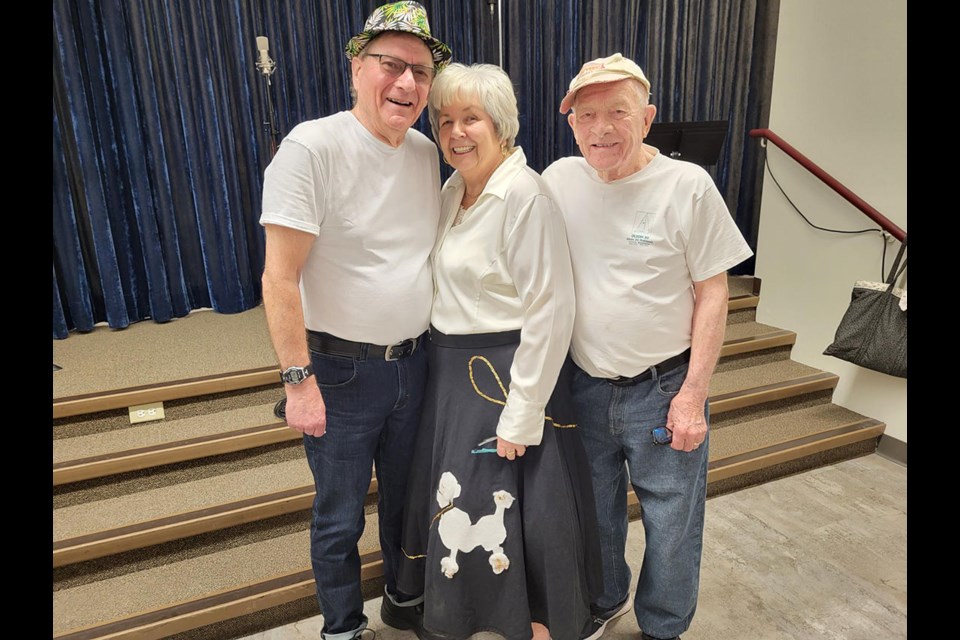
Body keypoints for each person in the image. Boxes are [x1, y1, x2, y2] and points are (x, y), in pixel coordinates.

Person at [542, 53, 754, 640]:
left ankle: (663, 625)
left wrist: (693, 395)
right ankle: (607, 598)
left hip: (663, 388)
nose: (602, 128)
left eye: (618, 112)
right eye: (587, 115)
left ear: (648, 117)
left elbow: (715, 294)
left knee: (672, 521)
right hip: (584, 383)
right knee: (597, 511)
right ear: (571, 124)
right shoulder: (559, 180)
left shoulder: (686, 186)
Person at [258, 3, 451, 640]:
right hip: (338, 373)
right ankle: (342, 627)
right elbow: (279, 278)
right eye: (390, 65)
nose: (406, 84)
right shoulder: (312, 147)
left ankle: (403, 598)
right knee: (340, 516)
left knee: (407, 502)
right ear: (355, 67)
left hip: (415, 363)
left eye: (420, 72)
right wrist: (297, 381)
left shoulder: (426, 153)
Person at [395, 63, 602, 640]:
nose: (456, 132)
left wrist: (522, 410)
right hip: (450, 375)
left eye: (471, 119)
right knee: (462, 497)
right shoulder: (453, 190)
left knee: (511, 504)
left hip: (506, 374)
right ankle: (466, 612)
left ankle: (526, 619)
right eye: (445, 121)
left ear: (502, 125)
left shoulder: (525, 195)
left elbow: (551, 309)